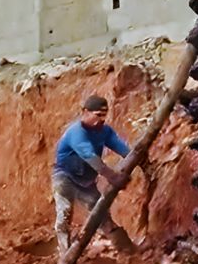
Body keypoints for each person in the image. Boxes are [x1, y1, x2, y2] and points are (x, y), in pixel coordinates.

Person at [52, 95, 136, 254]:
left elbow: (124, 149)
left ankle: (127, 251)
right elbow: (90, 156)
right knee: (64, 215)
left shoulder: (105, 132)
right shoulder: (76, 132)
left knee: (101, 213)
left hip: (86, 181)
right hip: (65, 178)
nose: (102, 119)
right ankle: (65, 254)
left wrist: (140, 160)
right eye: (98, 115)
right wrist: (112, 176)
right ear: (85, 112)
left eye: (104, 115)